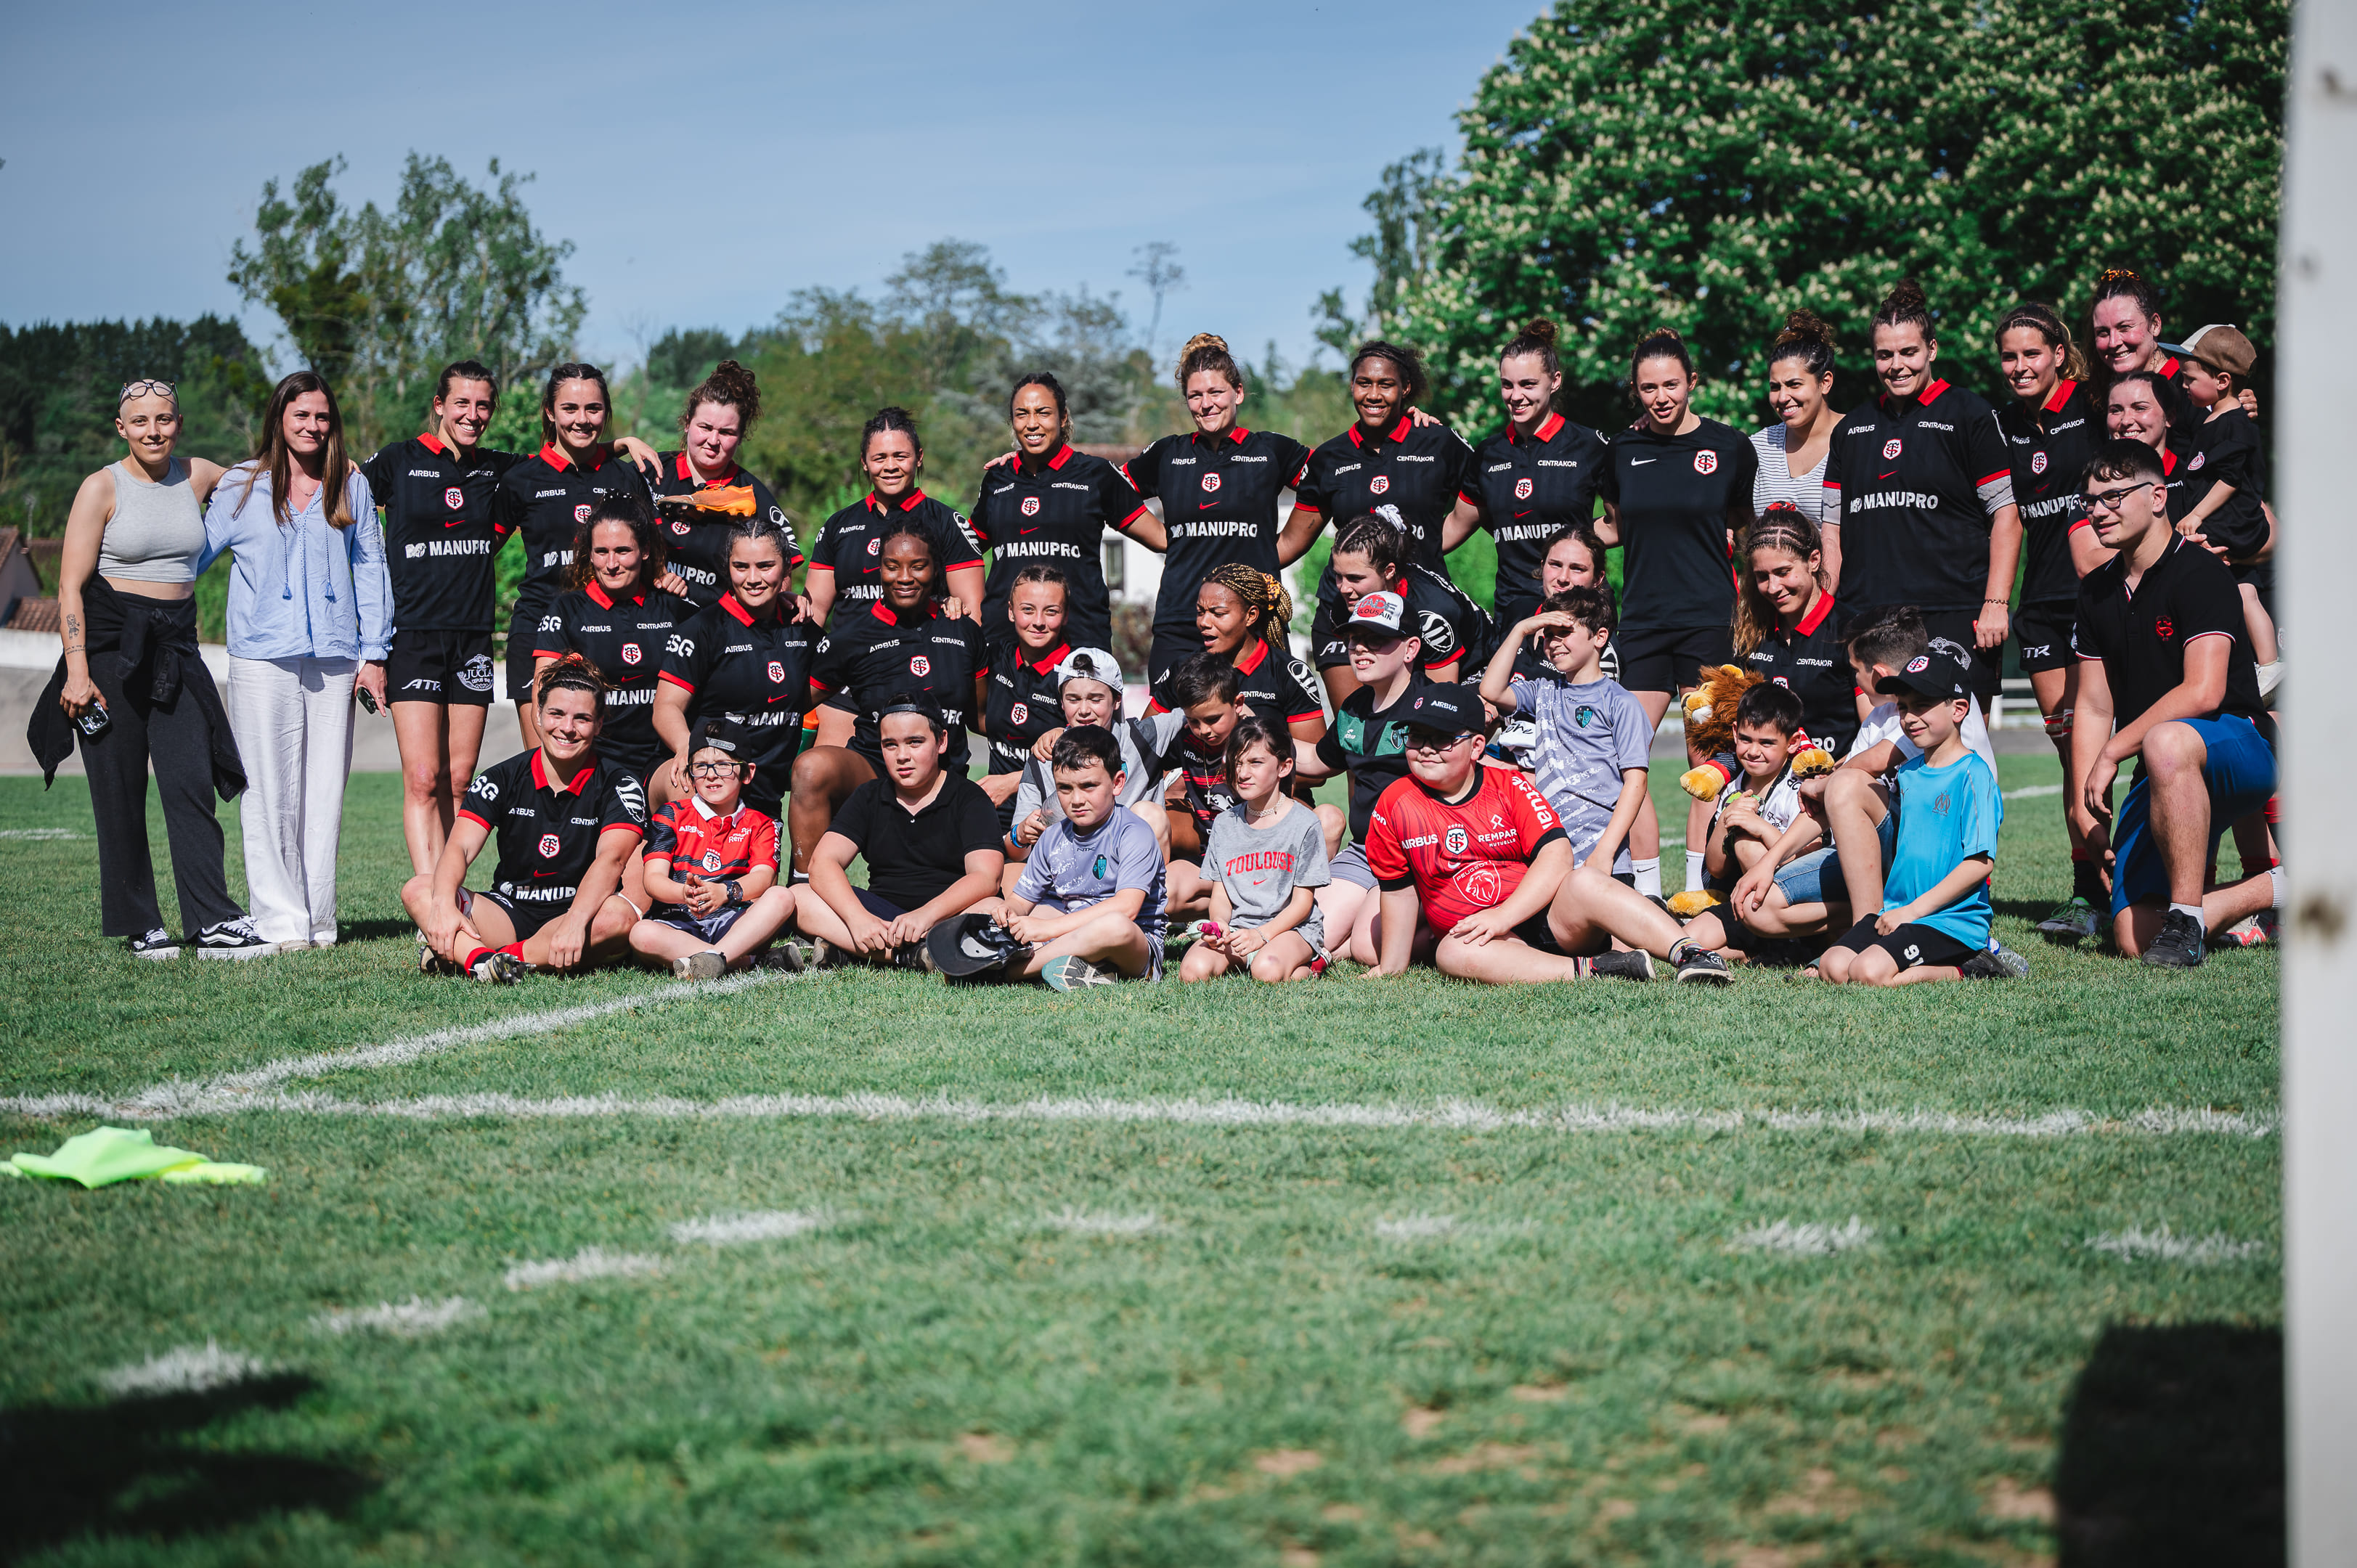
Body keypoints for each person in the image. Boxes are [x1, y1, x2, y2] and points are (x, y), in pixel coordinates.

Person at [36, 376, 259, 959]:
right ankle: (142, 923)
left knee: (190, 781)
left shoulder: (200, 475)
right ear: (121, 428)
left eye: (163, 419)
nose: (153, 430)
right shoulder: (100, 488)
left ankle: (212, 920)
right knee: (120, 787)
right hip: (111, 652)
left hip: (177, 648)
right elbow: (68, 585)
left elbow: (270, 472)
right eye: (140, 422)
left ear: (177, 423)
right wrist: (77, 672)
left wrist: (349, 465)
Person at [2069, 438, 2279, 967]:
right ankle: (2269, 891)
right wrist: (2082, 807)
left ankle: (2187, 920)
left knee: (2165, 739)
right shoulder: (2096, 591)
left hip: (2236, 745)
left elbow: (2203, 693)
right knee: (2131, 935)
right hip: (2163, 766)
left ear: (2159, 496)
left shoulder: (2202, 572)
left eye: (2114, 496)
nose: (2099, 510)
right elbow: (2093, 707)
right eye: (2090, 500)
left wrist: (2114, 752)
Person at [200, 371, 391, 953]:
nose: (312, 426)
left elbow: (371, 568)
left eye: (322, 417)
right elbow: (192, 555)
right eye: (300, 415)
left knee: (324, 789)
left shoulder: (349, 485)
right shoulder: (239, 486)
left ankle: (317, 922)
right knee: (267, 790)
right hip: (262, 656)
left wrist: (375, 653)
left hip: (335, 655)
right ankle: (279, 922)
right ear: (279, 419)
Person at [1362, 685, 1728, 984]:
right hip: (1479, 937)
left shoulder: (1509, 786)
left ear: (1476, 747)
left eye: (1441, 739)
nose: (1425, 747)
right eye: (1416, 736)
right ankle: (1602, 969)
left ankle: (1691, 953)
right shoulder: (1393, 804)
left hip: (1549, 918)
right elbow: (1399, 892)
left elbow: (1558, 858)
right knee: (1451, 952)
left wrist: (1503, 915)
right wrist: (1392, 965)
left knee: (1584, 880)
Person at [1595, 325, 1759, 889]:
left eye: (1670, 385)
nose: (1660, 397)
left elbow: (1745, 526)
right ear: (1635, 391)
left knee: (1706, 767)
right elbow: (1613, 528)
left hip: (1709, 626)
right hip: (1640, 625)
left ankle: (1699, 889)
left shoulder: (1731, 446)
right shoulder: (1621, 450)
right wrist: (1550, 541)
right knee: (1627, 763)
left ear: (1692, 382)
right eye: (1647, 388)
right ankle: (1645, 890)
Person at [1820, 280, 2020, 713]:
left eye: (1908, 352)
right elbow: (1832, 530)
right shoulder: (1850, 430)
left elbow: (2007, 515)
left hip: (1953, 613)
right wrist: (1828, 607)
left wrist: (1996, 603)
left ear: (1931, 349)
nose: (1897, 366)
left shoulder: (1971, 415)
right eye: (1884, 355)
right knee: (1880, 757)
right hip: (1869, 617)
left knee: (1960, 756)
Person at [359, 360, 515, 875]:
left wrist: (624, 446)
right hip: (413, 638)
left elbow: (565, 462)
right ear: (440, 405)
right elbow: (336, 499)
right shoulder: (399, 461)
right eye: (463, 403)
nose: (473, 414)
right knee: (424, 777)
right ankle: (432, 902)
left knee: (459, 779)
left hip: (471, 640)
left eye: (483, 405)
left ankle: (452, 893)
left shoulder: (497, 469)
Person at [406, 654, 646, 983]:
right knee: (420, 889)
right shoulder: (502, 777)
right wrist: (444, 904)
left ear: (600, 724)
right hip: (508, 911)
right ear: (537, 714)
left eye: (582, 718)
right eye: (556, 714)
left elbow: (612, 860)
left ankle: (496, 960)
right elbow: (460, 847)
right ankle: (484, 962)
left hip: (582, 910)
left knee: (619, 919)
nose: (567, 728)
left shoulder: (619, 783)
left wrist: (575, 921)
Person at [1992, 301, 2112, 939]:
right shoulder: (2005, 425)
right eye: (2008, 357)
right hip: (2039, 610)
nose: (2019, 366)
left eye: (2031, 354)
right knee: (2072, 754)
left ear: (2059, 354)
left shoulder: (2096, 406)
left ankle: (2138, 885)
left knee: (2110, 753)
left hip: (2101, 598)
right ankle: (2088, 892)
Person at [1120, 335, 1320, 693]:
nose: (1206, 404)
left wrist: (1282, 549)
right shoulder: (1168, 455)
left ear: (1238, 392)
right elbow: (1107, 490)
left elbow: (1334, 478)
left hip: (1256, 624)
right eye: (1195, 396)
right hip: (1181, 623)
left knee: (1262, 738)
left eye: (1216, 392)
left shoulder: (1271, 450)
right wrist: (1160, 537)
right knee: (1176, 738)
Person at [1291, 341, 1482, 703]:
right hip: (1342, 610)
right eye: (1364, 383)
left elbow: (1485, 501)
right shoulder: (1329, 456)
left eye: (1386, 385)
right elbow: (1292, 541)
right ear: (1352, 386)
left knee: (1424, 733)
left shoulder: (1438, 441)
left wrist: (1429, 545)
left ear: (1405, 389)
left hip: (1418, 608)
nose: (1373, 394)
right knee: (1355, 737)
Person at [795, 522, 990, 872]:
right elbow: (794, 703)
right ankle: (805, 891)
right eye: (892, 566)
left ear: (936, 569)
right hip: (873, 769)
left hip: (946, 778)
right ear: (878, 569)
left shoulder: (963, 630)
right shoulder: (852, 636)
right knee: (811, 769)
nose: (904, 577)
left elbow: (983, 716)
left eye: (918, 566)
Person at [1815, 645, 2009, 985]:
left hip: (1949, 921)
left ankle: (1974, 967)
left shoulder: (1973, 774)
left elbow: (1980, 863)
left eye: (1922, 706)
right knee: (1832, 965)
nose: (1909, 717)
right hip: (1897, 913)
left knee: (1867, 973)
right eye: (1903, 708)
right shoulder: (1908, 773)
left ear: (1959, 709)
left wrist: (1914, 911)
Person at [494, 363, 655, 749]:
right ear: (550, 412)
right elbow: (475, 553)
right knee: (546, 768)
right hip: (537, 631)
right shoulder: (522, 479)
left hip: (611, 634)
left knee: (610, 765)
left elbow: (653, 547)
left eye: (594, 409)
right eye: (570, 409)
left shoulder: (627, 477)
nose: (582, 420)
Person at [800, 702, 1006, 967]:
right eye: (890, 745)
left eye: (915, 742)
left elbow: (986, 878)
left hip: (947, 916)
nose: (902, 756)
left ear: (941, 741)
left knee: (990, 908)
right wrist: (858, 920)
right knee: (801, 897)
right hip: (881, 917)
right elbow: (823, 863)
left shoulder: (970, 797)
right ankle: (910, 955)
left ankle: (858, 950)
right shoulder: (868, 795)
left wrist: (925, 916)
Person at [965, 373, 1149, 652]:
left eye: (1043, 413)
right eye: (1021, 414)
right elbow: (965, 549)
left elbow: (1163, 538)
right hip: (1004, 645)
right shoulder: (997, 478)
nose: (1032, 423)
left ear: (1063, 417)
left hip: (1081, 643)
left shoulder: (1095, 475)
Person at [1478, 585, 1652, 881]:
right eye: (1548, 634)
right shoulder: (1544, 690)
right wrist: (1520, 630)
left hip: (1601, 856)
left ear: (1600, 637)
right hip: (1549, 854)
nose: (1553, 643)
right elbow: (1490, 689)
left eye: (1564, 632)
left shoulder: (1621, 702)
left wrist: (1606, 852)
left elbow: (1636, 782)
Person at [652, 513, 816, 822]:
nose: (753, 579)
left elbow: (824, 687)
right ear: (727, 567)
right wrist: (690, 749)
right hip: (706, 779)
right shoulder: (701, 629)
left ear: (786, 569)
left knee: (754, 873)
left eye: (765, 566)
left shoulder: (801, 627)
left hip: (765, 794)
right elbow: (666, 707)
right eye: (741, 567)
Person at [1295, 592, 1431, 965]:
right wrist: (1256, 738)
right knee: (1311, 929)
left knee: (1366, 949)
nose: (1361, 649)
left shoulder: (1434, 707)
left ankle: (1444, 928)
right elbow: (1317, 762)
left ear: (1410, 649)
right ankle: (1333, 949)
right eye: (1355, 639)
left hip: (1422, 857)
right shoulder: (1353, 707)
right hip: (1365, 852)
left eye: (1377, 640)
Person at [534, 497, 693, 792]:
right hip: (592, 764)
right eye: (601, 552)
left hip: (657, 761)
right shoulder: (566, 611)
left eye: (622, 551)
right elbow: (541, 703)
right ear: (589, 554)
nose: (611, 564)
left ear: (644, 551)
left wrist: (784, 601)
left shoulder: (675, 609)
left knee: (685, 786)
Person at [628, 719, 802, 979]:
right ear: (690, 774)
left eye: (723, 766)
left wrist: (724, 892)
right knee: (641, 934)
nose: (711, 775)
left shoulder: (762, 823)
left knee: (782, 897)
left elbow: (763, 878)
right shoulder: (670, 815)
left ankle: (711, 960)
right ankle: (746, 961)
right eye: (701, 767)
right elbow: (653, 879)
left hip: (734, 923)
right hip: (679, 922)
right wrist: (684, 893)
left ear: (747, 773)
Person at [1462, 319, 1609, 628]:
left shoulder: (1589, 445)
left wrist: (1576, 537)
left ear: (1554, 381)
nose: (1516, 396)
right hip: (1513, 611)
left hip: (1580, 612)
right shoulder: (1488, 453)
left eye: (1528, 384)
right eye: (1507, 384)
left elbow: (1623, 523)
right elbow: (1458, 525)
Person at [1000, 725, 1171, 990]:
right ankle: (1092, 971)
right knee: (988, 906)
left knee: (1114, 926)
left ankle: (1011, 972)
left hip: (1134, 945)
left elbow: (1127, 908)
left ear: (1117, 783)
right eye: (1065, 788)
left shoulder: (1134, 832)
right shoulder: (1051, 837)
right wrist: (1008, 914)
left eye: (1089, 786)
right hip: (1070, 930)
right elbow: (1021, 902)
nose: (1076, 799)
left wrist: (1045, 930)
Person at [2166, 324, 2279, 685]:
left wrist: (2197, 515)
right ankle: (2264, 663)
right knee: (2244, 591)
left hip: (2231, 523)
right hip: (2223, 521)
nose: (2183, 387)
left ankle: (2267, 664)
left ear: (2222, 380)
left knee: (2221, 585)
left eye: (2189, 379)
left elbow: (2230, 479)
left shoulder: (2235, 424)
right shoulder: (2214, 419)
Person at [1180, 716, 1331, 984]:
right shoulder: (1225, 824)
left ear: (1284, 767)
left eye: (1255, 763)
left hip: (1290, 928)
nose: (1242, 773)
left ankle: (1313, 960)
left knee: (1266, 971)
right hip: (1239, 928)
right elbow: (1221, 894)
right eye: (1237, 763)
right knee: (1193, 971)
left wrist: (1262, 935)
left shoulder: (1304, 823)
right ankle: (1274, 962)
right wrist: (1219, 924)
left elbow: (1302, 904)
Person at [805, 407, 985, 626]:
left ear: (919, 457)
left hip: (921, 656)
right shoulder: (838, 525)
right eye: (880, 458)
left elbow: (973, 611)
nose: (890, 466)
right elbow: (815, 611)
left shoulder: (948, 522)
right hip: (851, 658)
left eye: (900, 456)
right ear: (864, 462)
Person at [647, 359, 802, 611]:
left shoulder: (754, 496)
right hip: (650, 621)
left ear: (741, 437)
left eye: (727, 432)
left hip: (718, 631)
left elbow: (784, 573)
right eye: (705, 427)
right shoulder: (650, 472)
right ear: (687, 423)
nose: (713, 440)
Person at [1005, 648, 1173, 870]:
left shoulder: (1145, 737)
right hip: (1069, 874)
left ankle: (1139, 900)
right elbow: (1015, 851)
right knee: (1009, 873)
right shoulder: (1044, 755)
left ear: (1117, 701)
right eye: (1073, 699)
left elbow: (1199, 707)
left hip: (1132, 876)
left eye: (1095, 699)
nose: (1084, 710)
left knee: (1150, 814)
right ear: (1062, 703)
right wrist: (1021, 834)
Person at [1312, 515, 1490, 702]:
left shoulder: (1432, 612)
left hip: (1480, 668)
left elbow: (1441, 702)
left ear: (1389, 571)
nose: (1344, 588)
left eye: (1355, 578)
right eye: (1338, 576)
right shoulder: (1346, 603)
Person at [1731, 507, 1856, 756]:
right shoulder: (1750, 633)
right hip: (1767, 777)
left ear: (1814, 561)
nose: (1773, 587)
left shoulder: (1851, 631)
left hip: (1836, 775)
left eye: (1783, 572)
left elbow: (1876, 732)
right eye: (1762, 577)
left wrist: (1831, 779)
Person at [1157, 563, 1325, 747]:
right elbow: (1148, 746)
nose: (1204, 622)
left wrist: (1248, 771)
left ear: (1251, 616)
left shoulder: (1288, 674)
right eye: (1200, 612)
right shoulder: (1182, 669)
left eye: (1218, 613)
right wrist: (1178, 775)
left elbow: (1314, 769)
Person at [979, 565, 1074, 823]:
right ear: (1011, 612)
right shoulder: (996, 657)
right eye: (1028, 609)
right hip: (994, 813)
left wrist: (1013, 782)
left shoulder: (1077, 673)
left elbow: (1091, 758)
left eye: (1051, 611)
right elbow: (978, 718)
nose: (1039, 622)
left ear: (1065, 616)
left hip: (1055, 819)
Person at [1697, 683, 1810, 895]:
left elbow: (1809, 862)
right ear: (1735, 732)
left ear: (1793, 742)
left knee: (1746, 845)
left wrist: (1761, 828)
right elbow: (1715, 868)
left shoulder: (1801, 789)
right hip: (1741, 894)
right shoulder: (1733, 786)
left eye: (1767, 743)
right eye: (1746, 739)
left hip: (1792, 895)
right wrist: (1726, 819)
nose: (1753, 751)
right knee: (1697, 930)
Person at [1750, 311, 1842, 522]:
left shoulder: (1856, 437)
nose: (1783, 397)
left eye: (1794, 385)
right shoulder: (1759, 447)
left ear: (1825, 382)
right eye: (1775, 387)